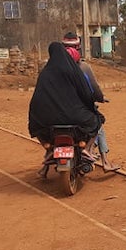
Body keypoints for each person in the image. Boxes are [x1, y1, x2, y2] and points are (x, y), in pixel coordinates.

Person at [28, 41, 103, 173]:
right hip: (75, 117)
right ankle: (85, 149)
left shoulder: (45, 73)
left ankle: (48, 148)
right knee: (98, 119)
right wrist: (90, 104)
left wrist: (38, 113)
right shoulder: (74, 71)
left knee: (35, 125)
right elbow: (86, 92)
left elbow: (37, 97)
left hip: (47, 119)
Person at [62, 32, 120, 172]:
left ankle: (47, 160)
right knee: (98, 123)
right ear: (78, 47)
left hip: (55, 111)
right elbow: (94, 89)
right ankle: (103, 160)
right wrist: (100, 98)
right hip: (80, 111)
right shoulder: (83, 67)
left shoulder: (52, 67)